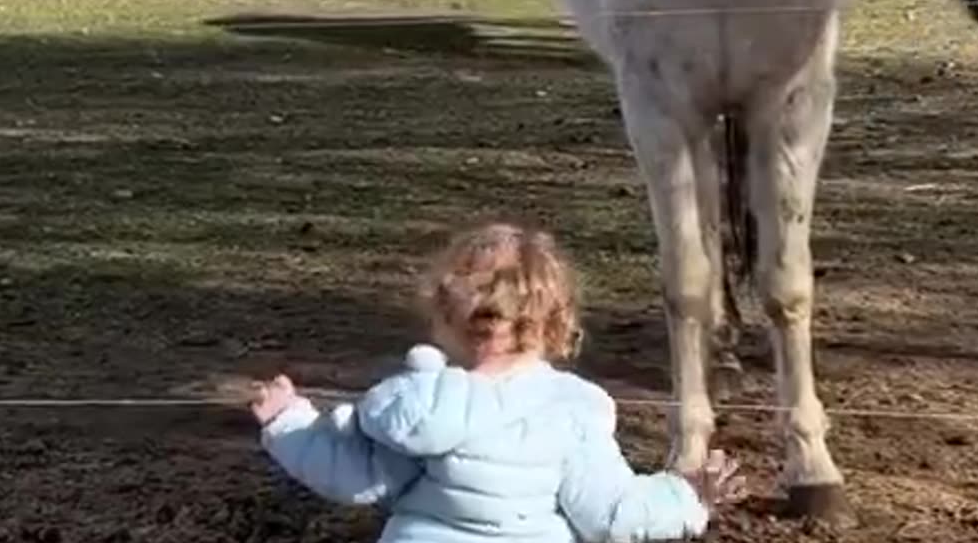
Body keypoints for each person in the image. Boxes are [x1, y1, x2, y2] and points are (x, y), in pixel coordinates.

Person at [250, 222, 746, 543]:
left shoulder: (419, 403)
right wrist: (688, 497)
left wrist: (290, 422)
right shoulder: (570, 410)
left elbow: (355, 478)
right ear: (557, 325)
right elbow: (614, 515)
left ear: (446, 316)